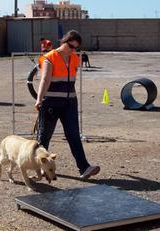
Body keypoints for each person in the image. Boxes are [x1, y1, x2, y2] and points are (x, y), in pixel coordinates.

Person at [35, 30, 100, 179]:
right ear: (63, 42)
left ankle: (84, 168)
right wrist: (39, 99)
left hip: (70, 103)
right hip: (51, 103)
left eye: (76, 48)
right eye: (71, 46)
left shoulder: (74, 58)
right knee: (44, 137)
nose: (73, 50)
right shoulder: (49, 58)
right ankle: (40, 168)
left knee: (73, 135)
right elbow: (45, 80)